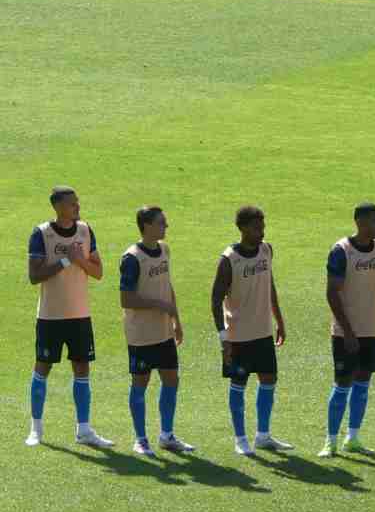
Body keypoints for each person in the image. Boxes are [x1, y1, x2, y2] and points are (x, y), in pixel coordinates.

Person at [26, 185, 112, 448]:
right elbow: (34, 275)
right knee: (43, 367)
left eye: (77, 202)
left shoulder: (86, 231)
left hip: (79, 315)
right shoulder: (41, 234)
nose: (78, 207)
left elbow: (97, 272)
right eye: (73, 203)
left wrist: (79, 260)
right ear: (58, 206)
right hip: (50, 317)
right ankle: (36, 429)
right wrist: (66, 261)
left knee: (82, 369)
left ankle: (84, 430)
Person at [209, 205, 290, 455]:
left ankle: (263, 436)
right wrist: (224, 338)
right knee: (239, 383)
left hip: (263, 331)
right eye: (257, 227)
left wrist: (279, 319)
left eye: (263, 226)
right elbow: (215, 300)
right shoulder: (228, 260)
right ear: (243, 228)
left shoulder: (266, 250)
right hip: (238, 335)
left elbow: (270, 284)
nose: (262, 231)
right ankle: (240, 438)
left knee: (269, 379)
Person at [319, 202, 375, 458]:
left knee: (363, 383)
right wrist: (348, 331)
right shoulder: (342, 251)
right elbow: (332, 294)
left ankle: (353, 438)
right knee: (342, 384)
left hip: (371, 330)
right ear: (360, 223)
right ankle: (330, 441)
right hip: (345, 333)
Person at [118, 206, 193, 456]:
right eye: (162, 223)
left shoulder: (165, 249)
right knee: (141, 383)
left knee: (171, 379)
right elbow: (126, 300)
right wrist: (159, 305)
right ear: (147, 225)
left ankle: (167, 435)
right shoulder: (131, 258)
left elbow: (167, 285)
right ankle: (140, 439)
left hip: (164, 332)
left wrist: (176, 319)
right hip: (141, 334)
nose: (166, 226)